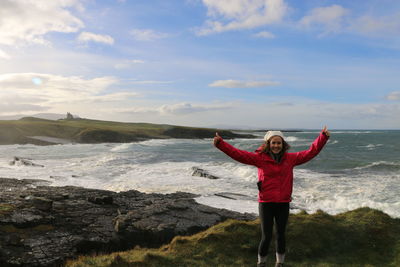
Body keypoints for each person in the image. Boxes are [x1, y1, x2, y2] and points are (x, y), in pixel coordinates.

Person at [213, 127, 330, 267]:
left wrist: (322, 137)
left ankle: (279, 263)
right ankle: (261, 263)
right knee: (266, 236)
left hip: (283, 203)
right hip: (266, 203)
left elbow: (311, 152)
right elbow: (238, 154)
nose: (276, 145)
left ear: (283, 144)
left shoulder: (291, 159)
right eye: (273, 143)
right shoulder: (260, 159)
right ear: (268, 144)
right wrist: (221, 144)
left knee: (281, 235)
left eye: (279, 143)